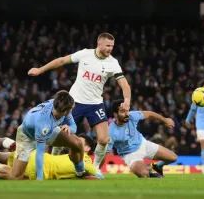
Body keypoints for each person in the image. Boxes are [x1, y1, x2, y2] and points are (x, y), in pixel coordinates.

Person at [28, 33, 131, 172]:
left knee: (104, 139)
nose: (110, 49)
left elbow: (125, 85)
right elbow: (62, 61)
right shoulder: (85, 54)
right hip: (74, 102)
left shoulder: (113, 63)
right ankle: (51, 160)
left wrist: (127, 101)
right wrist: (40, 70)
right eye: (107, 46)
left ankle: (95, 169)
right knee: (62, 133)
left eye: (112, 46)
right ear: (99, 44)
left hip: (95, 104)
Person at [9, 90, 97, 180]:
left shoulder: (60, 104)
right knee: (16, 176)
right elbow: (40, 153)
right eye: (71, 109)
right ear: (65, 111)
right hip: (27, 136)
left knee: (77, 143)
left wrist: (69, 128)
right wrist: (40, 178)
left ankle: (80, 173)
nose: (72, 110)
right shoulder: (43, 123)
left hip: (48, 130)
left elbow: (73, 127)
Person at [106, 99, 178, 178]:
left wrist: (165, 120)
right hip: (129, 154)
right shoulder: (111, 131)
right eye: (123, 112)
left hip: (143, 144)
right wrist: (96, 169)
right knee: (144, 174)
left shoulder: (132, 116)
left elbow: (150, 114)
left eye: (127, 111)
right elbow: (106, 151)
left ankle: (157, 167)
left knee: (173, 158)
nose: (127, 114)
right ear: (115, 114)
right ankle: (150, 174)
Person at [5, 134, 103, 180]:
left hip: (42, 166)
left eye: (79, 143)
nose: (75, 143)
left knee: (10, 162)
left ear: (87, 148)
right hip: (42, 168)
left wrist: (96, 173)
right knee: (11, 171)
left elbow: (86, 168)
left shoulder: (85, 159)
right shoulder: (69, 156)